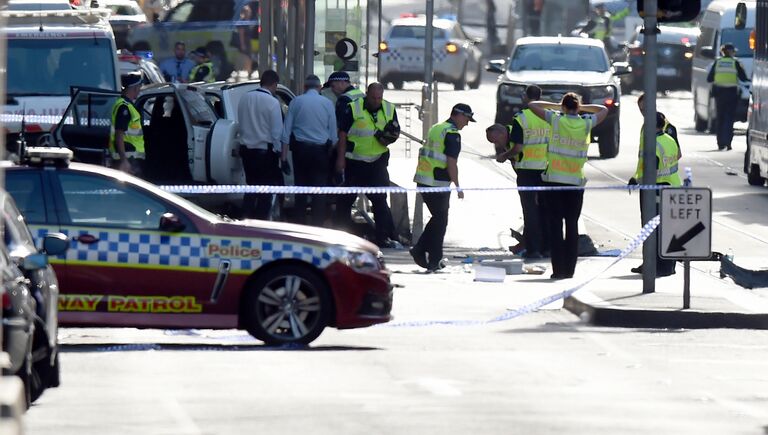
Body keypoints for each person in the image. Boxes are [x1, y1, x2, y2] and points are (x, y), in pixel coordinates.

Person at [527, 93, 608, 279]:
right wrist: (582, 107)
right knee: (572, 225)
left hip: (554, 181)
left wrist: (557, 106)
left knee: (555, 226)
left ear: (563, 107)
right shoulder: (586, 123)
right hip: (575, 182)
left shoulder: (556, 120)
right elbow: (604, 109)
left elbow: (533, 105)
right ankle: (570, 270)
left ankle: (558, 270)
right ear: (577, 107)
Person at [486, 85, 550, 259]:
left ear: (525, 97)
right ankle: (547, 248)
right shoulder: (550, 116)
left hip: (528, 171)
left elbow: (519, 147)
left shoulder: (521, 119)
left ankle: (534, 249)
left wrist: (504, 155)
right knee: (546, 210)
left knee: (530, 212)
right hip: (547, 169)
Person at [335, 82, 401, 248]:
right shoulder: (353, 108)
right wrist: (340, 159)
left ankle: (383, 238)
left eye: (380, 97)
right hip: (355, 162)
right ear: (367, 94)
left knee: (380, 201)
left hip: (377, 162)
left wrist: (388, 138)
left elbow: (393, 132)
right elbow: (342, 134)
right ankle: (342, 236)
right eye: (374, 97)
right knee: (345, 201)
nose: (377, 101)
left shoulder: (389, 108)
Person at [410, 104, 471, 271]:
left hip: (424, 179)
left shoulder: (437, 127)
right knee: (440, 220)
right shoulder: (452, 134)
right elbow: (451, 163)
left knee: (438, 218)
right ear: (458, 115)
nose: (466, 123)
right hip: (437, 182)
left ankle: (422, 251)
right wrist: (458, 186)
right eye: (466, 119)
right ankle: (431, 257)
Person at [628, 112, 682, 277]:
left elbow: (651, 170)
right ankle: (667, 266)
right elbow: (678, 155)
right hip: (672, 186)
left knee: (652, 229)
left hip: (656, 189)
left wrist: (636, 180)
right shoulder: (669, 139)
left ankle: (654, 266)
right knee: (668, 228)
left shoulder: (653, 144)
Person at [281, 74, 338, 226]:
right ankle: (317, 226)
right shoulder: (327, 104)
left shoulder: (295, 102)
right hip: (320, 152)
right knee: (319, 192)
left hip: (300, 152)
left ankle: (300, 224)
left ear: (304, 87)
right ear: (319, 88)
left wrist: (283, 158)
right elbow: (333, 134)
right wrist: (331, 156)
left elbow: (286, 132)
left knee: (300, 190)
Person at [237, 70, 286, 220]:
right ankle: (261, 222)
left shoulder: (245, 98)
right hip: (265, 152)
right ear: (274, 84)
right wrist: (279, 153)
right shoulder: (272, 102)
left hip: (246, 151)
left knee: (251, 187)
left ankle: (246, 218)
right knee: (266, 190)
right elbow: (277, 132)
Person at [707, 43, 750, 151]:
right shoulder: (735, 63)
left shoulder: (717, 62)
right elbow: (743, 78)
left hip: (719, 94)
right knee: (729, 119)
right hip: (731, 94)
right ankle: (728, 143)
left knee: (720, 119)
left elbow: (709, 78)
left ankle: (720, 143)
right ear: (730, 52)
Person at [109, 72, 146, 176]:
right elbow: (119, 134)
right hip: (129, 158)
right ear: (134, 88)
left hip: (130, 157)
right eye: (139, 87)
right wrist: (124, 160)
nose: (139, 90)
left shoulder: (125, 105)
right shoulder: (124, 107)